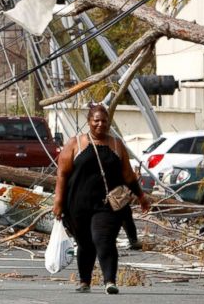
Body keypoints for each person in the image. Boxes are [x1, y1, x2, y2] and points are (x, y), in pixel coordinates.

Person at [52, 104, 151, 295]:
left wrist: (141, 197)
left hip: (107, 205)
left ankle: (110, 281)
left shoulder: (116, 145)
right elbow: (62, 175)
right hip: (77, 205)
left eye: (104, 121)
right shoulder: (75, 144)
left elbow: (129, 176)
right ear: (89, 122)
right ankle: (84, 281)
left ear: (109, 123)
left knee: (103, 239)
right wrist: (58, 202)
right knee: (85, 243)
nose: (100, 124)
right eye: (96, 120)